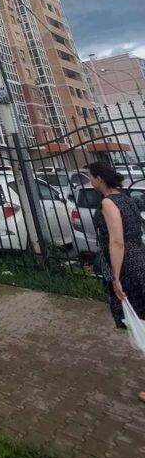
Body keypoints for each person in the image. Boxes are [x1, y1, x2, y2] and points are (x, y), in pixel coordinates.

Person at [88, 161, 145, 402]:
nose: (89, 180)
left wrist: (116, 277)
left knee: (141, 320)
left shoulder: (108, 203)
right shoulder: (126, 198)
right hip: (140, 257)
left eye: (90, 176)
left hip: (128, 264)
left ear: (99, 179)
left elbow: (117, 242)